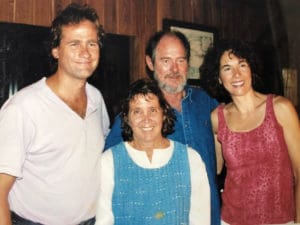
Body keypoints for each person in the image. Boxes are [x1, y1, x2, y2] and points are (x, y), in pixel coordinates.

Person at [0, 3, 110, 225]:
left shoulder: (96, 98)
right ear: (56, 50)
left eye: (92, 43)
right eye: (74, 44)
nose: (85, 53)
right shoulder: (23, 108)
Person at [105, 30, 220, 225]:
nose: (174, 69)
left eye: (181, 60)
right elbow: (110, 172)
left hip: (208, 216)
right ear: (150, 63)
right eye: (166, 61)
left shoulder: (206, 102)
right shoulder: (138, 114)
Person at [200, 39, 300, 225]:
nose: (236, 74)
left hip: (281, 219)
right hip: (231, 219)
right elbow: (215, 168)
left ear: (251, 70)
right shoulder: (217, 117)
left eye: (242, 65)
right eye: (227, 68)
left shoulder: (280, 108)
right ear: (219, 78)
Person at [95, 78, 211, 225]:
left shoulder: (190, 159)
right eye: (137, 112)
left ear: (164, 114)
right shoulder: (109, 161)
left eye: (153, 110)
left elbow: (200, 220)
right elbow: (104, 220)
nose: (146, 119)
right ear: (127, 119)